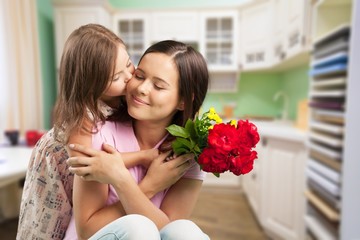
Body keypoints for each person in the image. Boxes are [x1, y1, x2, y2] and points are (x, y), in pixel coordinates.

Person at [17, 24, 178, 240]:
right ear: (91, 85)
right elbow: (92, 164)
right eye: (116, 78)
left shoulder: (118, 96)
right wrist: (141, 157)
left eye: (129, 64)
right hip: (54, 183)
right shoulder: (81, 118)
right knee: (48, 230)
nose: (129, 77)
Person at [66, 40, 210, 239]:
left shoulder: (188, 155)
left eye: (158, 86)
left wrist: (121, 179)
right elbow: (86, 230)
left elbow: (169, 232)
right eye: (139, 75)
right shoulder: (98, 133)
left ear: (183, 101)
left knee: (187, 232)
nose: (142, 88)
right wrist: (148, 186)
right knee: (138, 227)